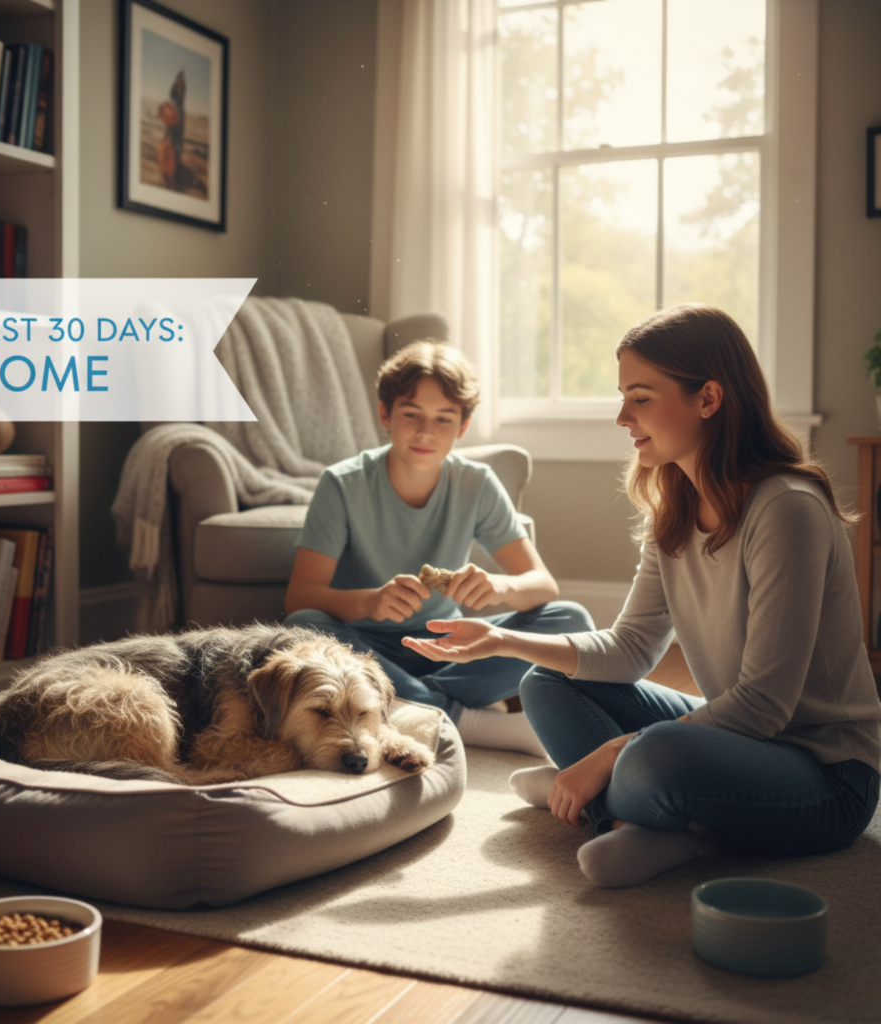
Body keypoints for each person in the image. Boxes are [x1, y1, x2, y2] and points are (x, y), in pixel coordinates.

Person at [402, 305, 881, 887]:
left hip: (827, 777)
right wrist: (501, 640)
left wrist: (608, 754)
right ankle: (640, 820)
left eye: (641, 397)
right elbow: (630, 649)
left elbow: (764, 705)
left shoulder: (787, 509)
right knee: (544, 682)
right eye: (622, 396)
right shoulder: (673, 509)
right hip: (738, 741)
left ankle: (609, 795)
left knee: (653, 758)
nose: (623, 416)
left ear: (708, 398)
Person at [284, 340, 594, 756]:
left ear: (463, 427)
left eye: (443, 419)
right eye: (411, 414)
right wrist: (372, 602)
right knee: (304, 624)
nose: (425, 432)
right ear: (385, 415)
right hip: (364, 649)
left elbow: (543, 586)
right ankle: (469, 719)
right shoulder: (342, 483)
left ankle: (411, 703)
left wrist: (500, 588)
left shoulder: (476, 483)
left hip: (450, 648)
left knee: (572, 620)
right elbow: (300, 596)